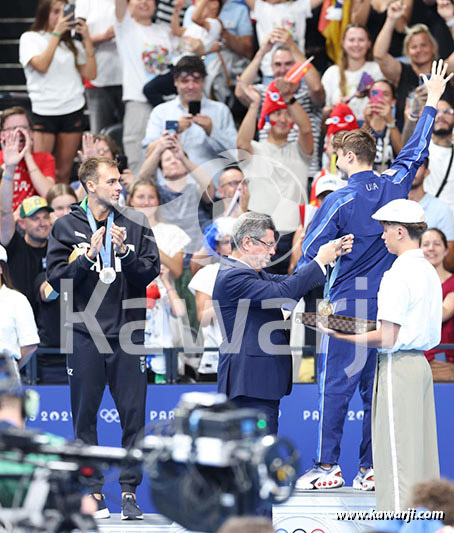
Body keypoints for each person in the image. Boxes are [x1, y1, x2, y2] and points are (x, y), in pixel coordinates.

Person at [295, 60, 451, 492]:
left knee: (334, 389)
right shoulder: (394, 184)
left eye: (338, 154)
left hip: (347, 301)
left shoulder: (340, 199)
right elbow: (416, 151)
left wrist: (330, 249)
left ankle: (327, 467)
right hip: (386, 303)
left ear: (347, 157)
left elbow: (311, 250)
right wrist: (432, 101)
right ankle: (370, 468)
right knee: (374, 391)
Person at [46, 156, 160, 520]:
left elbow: (150, 272)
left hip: (128, 333)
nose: (119, 187)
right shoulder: (65, 226)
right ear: (90, 185)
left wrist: (124, 252)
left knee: (134, 417)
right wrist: (88, 257)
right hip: (84, 332)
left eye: (119, 181)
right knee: (84, 418)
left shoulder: (136, 223)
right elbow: (58, 281)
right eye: (111, 182)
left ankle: (129, 492)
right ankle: (93, 492)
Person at [321, 198, 441, 511]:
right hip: (420, 368)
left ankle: (400, 527)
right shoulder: (428, 270)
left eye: (385, 229)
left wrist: (340, 333)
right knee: (420, 454)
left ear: (401, 231)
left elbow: (388, 336)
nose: (382, 235)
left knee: (395, 455)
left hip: (399, 367)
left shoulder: (397, 273)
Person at [213, 211, 354, 435]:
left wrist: (328, 254)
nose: (273, 251)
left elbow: (292, 284)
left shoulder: (253, 275)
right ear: (247, 242)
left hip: (258, 383)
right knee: (254, 457)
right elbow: (284, 290)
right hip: (250, 384)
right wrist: (319, 260)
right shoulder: (234, 276)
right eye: (268, 244)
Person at [237, 80, 314, 274]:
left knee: (290, 299)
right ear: (267, 117)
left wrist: (288, 98)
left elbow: (306, 129)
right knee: (256, 295)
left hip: (293, 235)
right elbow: (241, 142)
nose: (283, 118)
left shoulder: (301, 150)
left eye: (287, 113)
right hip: (257, 234)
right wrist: (255, 104)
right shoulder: (255, 149)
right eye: (277, 112)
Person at [19, 0, 97, 183]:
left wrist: (86, 39)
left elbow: (91, 74)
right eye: (56, 11)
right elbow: (41, 65)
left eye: (65, 12)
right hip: (44, 110)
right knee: (41, 171)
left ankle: (61, 210)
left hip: (72, 108)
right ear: (45, 13)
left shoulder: (71, 44)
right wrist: (56, 33)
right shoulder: (30, 38)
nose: (61, 16)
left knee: (63, 171)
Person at [235, 35, 325, 178]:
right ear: (271, 68)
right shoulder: (265, 93)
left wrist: (293, 46)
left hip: (304, 173)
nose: (282, 69)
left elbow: (316, 88)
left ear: (297, 64)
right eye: (277, 64)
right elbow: (241, 91)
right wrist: (261, 53)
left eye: (288, 63)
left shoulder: (307, 94)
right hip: (269, 173)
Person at [114, 0, 179, 175]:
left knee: (171, 153)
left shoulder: (164, 30)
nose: (144, 2)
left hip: (167, 103)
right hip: (138, 101)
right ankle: (138, 196)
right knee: (136, 155)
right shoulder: (125, 26)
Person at [142, 56, 237, 168]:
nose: (191, 86)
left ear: (203, 81)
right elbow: (147, 153)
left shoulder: (220, 110)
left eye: (196, 80)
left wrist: (212, 131)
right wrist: (174, 130)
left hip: (212, 181)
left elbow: (237, 155)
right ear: (175, 81)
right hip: (173, 181)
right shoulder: (160, 112)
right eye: (185, 81)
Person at [373, 3, 454, 128]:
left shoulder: (443, 69)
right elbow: (380, 55)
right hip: (408, 135)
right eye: (414, 47)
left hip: (445, 132)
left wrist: (450, 20)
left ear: (433, 48)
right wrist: (391, 19)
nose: (419, 50)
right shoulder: (401, 72)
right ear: (407, 52)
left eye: (424, 45)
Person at [1, 132, 53, 316]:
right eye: (35, 218)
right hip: (18, 323)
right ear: (21, 223)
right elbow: (5, 212)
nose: (42, 223)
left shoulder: (58, 247)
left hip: (51, 329)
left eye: (46, 217)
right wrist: (10, 169)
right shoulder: (14, 245)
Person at [75, 0, 124, 134]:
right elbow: (77, 39)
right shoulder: (85, 3)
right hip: (98, 79)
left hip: (128, 79)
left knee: (130, 134)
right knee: (100, 136)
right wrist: (104, 36)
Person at [321, 24, 383, 123]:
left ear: (369, 44)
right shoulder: (331, 73)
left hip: (369, 128)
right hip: (340, 128)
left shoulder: (377, 69)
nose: (356, 44)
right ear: (343, 43)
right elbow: (324, 111)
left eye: (361, 40)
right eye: (351, 40)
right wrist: (334, 107)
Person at [0, 106, 55, 212]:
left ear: (31, 133)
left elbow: (50, 196)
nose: (19, 132)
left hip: (34, 220)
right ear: (2, 135)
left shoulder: (45, 158)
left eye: (24, 128)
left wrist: (28, 157)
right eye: (13, 128)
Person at [0, 245, 40, 372]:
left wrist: (8, 370)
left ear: (1, 268)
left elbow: (30, 345)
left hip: (4, 373)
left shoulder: (17, 300)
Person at [408, 160, 454, 269]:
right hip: (397, 278)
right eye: (408, 166)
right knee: (361, 284)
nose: (412, 171)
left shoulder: (442, 209)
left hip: (430, 279)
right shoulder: (392, 207)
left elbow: (450, 259)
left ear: (426, 172)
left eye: (417, 167)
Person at [421, 228, 454, 380]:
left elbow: (444, 312)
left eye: (437, 244)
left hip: (441, 361)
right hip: (413, 358)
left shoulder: (452, 283)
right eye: (426, 244)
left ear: (446, 250)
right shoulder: (412, 283)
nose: (431, 249)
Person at [363, 80, 402, 172]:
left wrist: (390, 122)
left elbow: (402, 154)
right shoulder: (360, 125)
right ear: (369, 98)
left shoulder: (400, 126)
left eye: (385, 94)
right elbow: (355, 152)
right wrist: (366, 123)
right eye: (375, 93)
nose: (380, 98)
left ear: (393, 101)